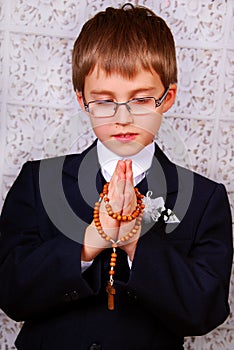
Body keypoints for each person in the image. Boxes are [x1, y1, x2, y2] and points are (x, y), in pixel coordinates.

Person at [0, 3, 232, 350]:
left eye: (140, 100)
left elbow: (206, 311)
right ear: (82, 100)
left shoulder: (204, 199)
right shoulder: (37, 182)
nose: (123, 118)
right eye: (105, 101)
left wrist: (134, 241)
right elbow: (11, 294)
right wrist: (93, 239)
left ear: (167, 98)